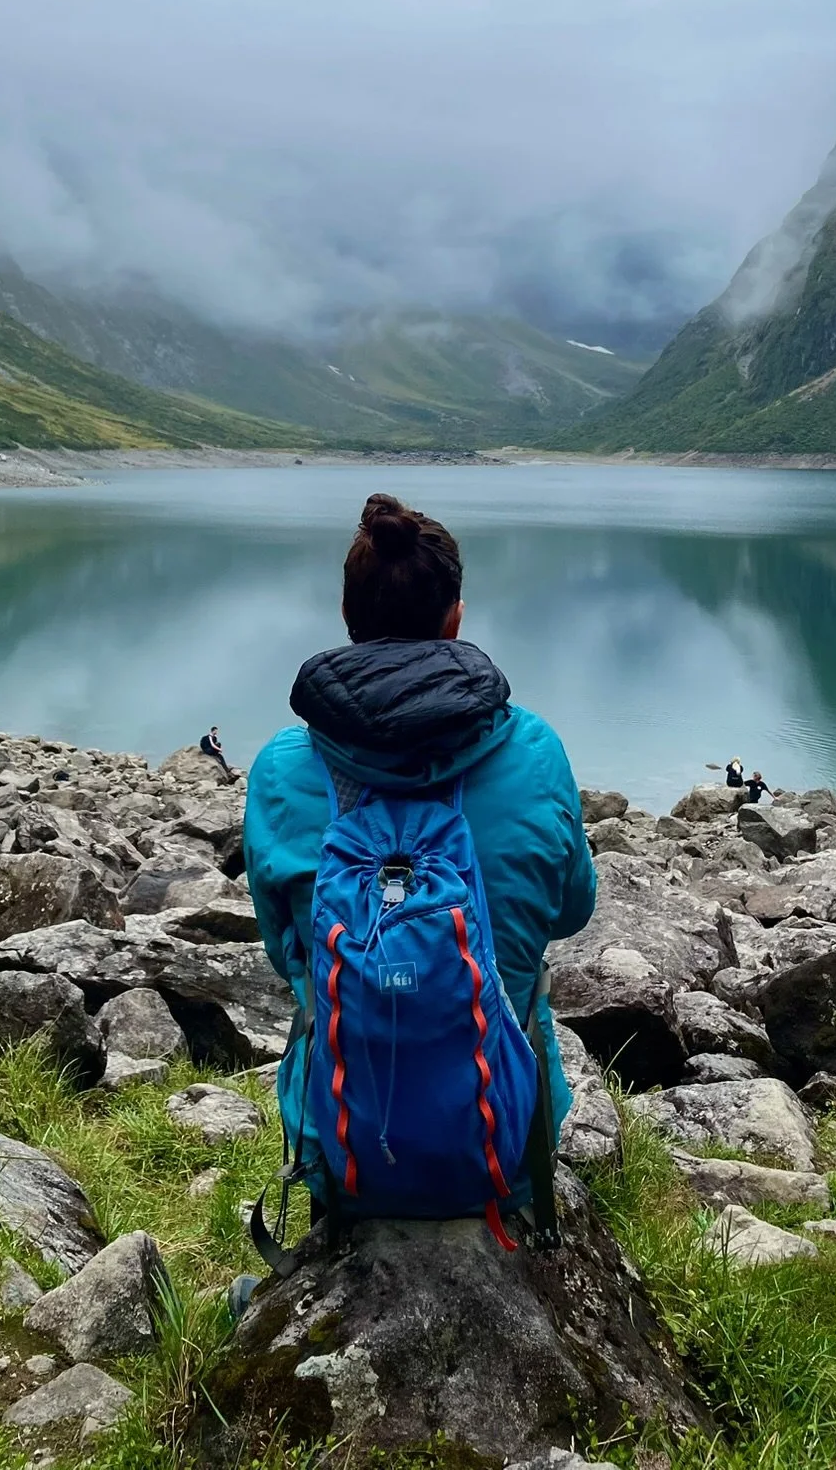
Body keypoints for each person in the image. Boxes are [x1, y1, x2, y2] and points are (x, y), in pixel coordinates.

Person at [244, 491, 597, 1247]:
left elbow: (285, 954)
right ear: (455, 619)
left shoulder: (280, 768)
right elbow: (571, 910)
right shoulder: (536, 752)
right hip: (511, 1148)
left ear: (350, 622)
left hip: (345, 1156)